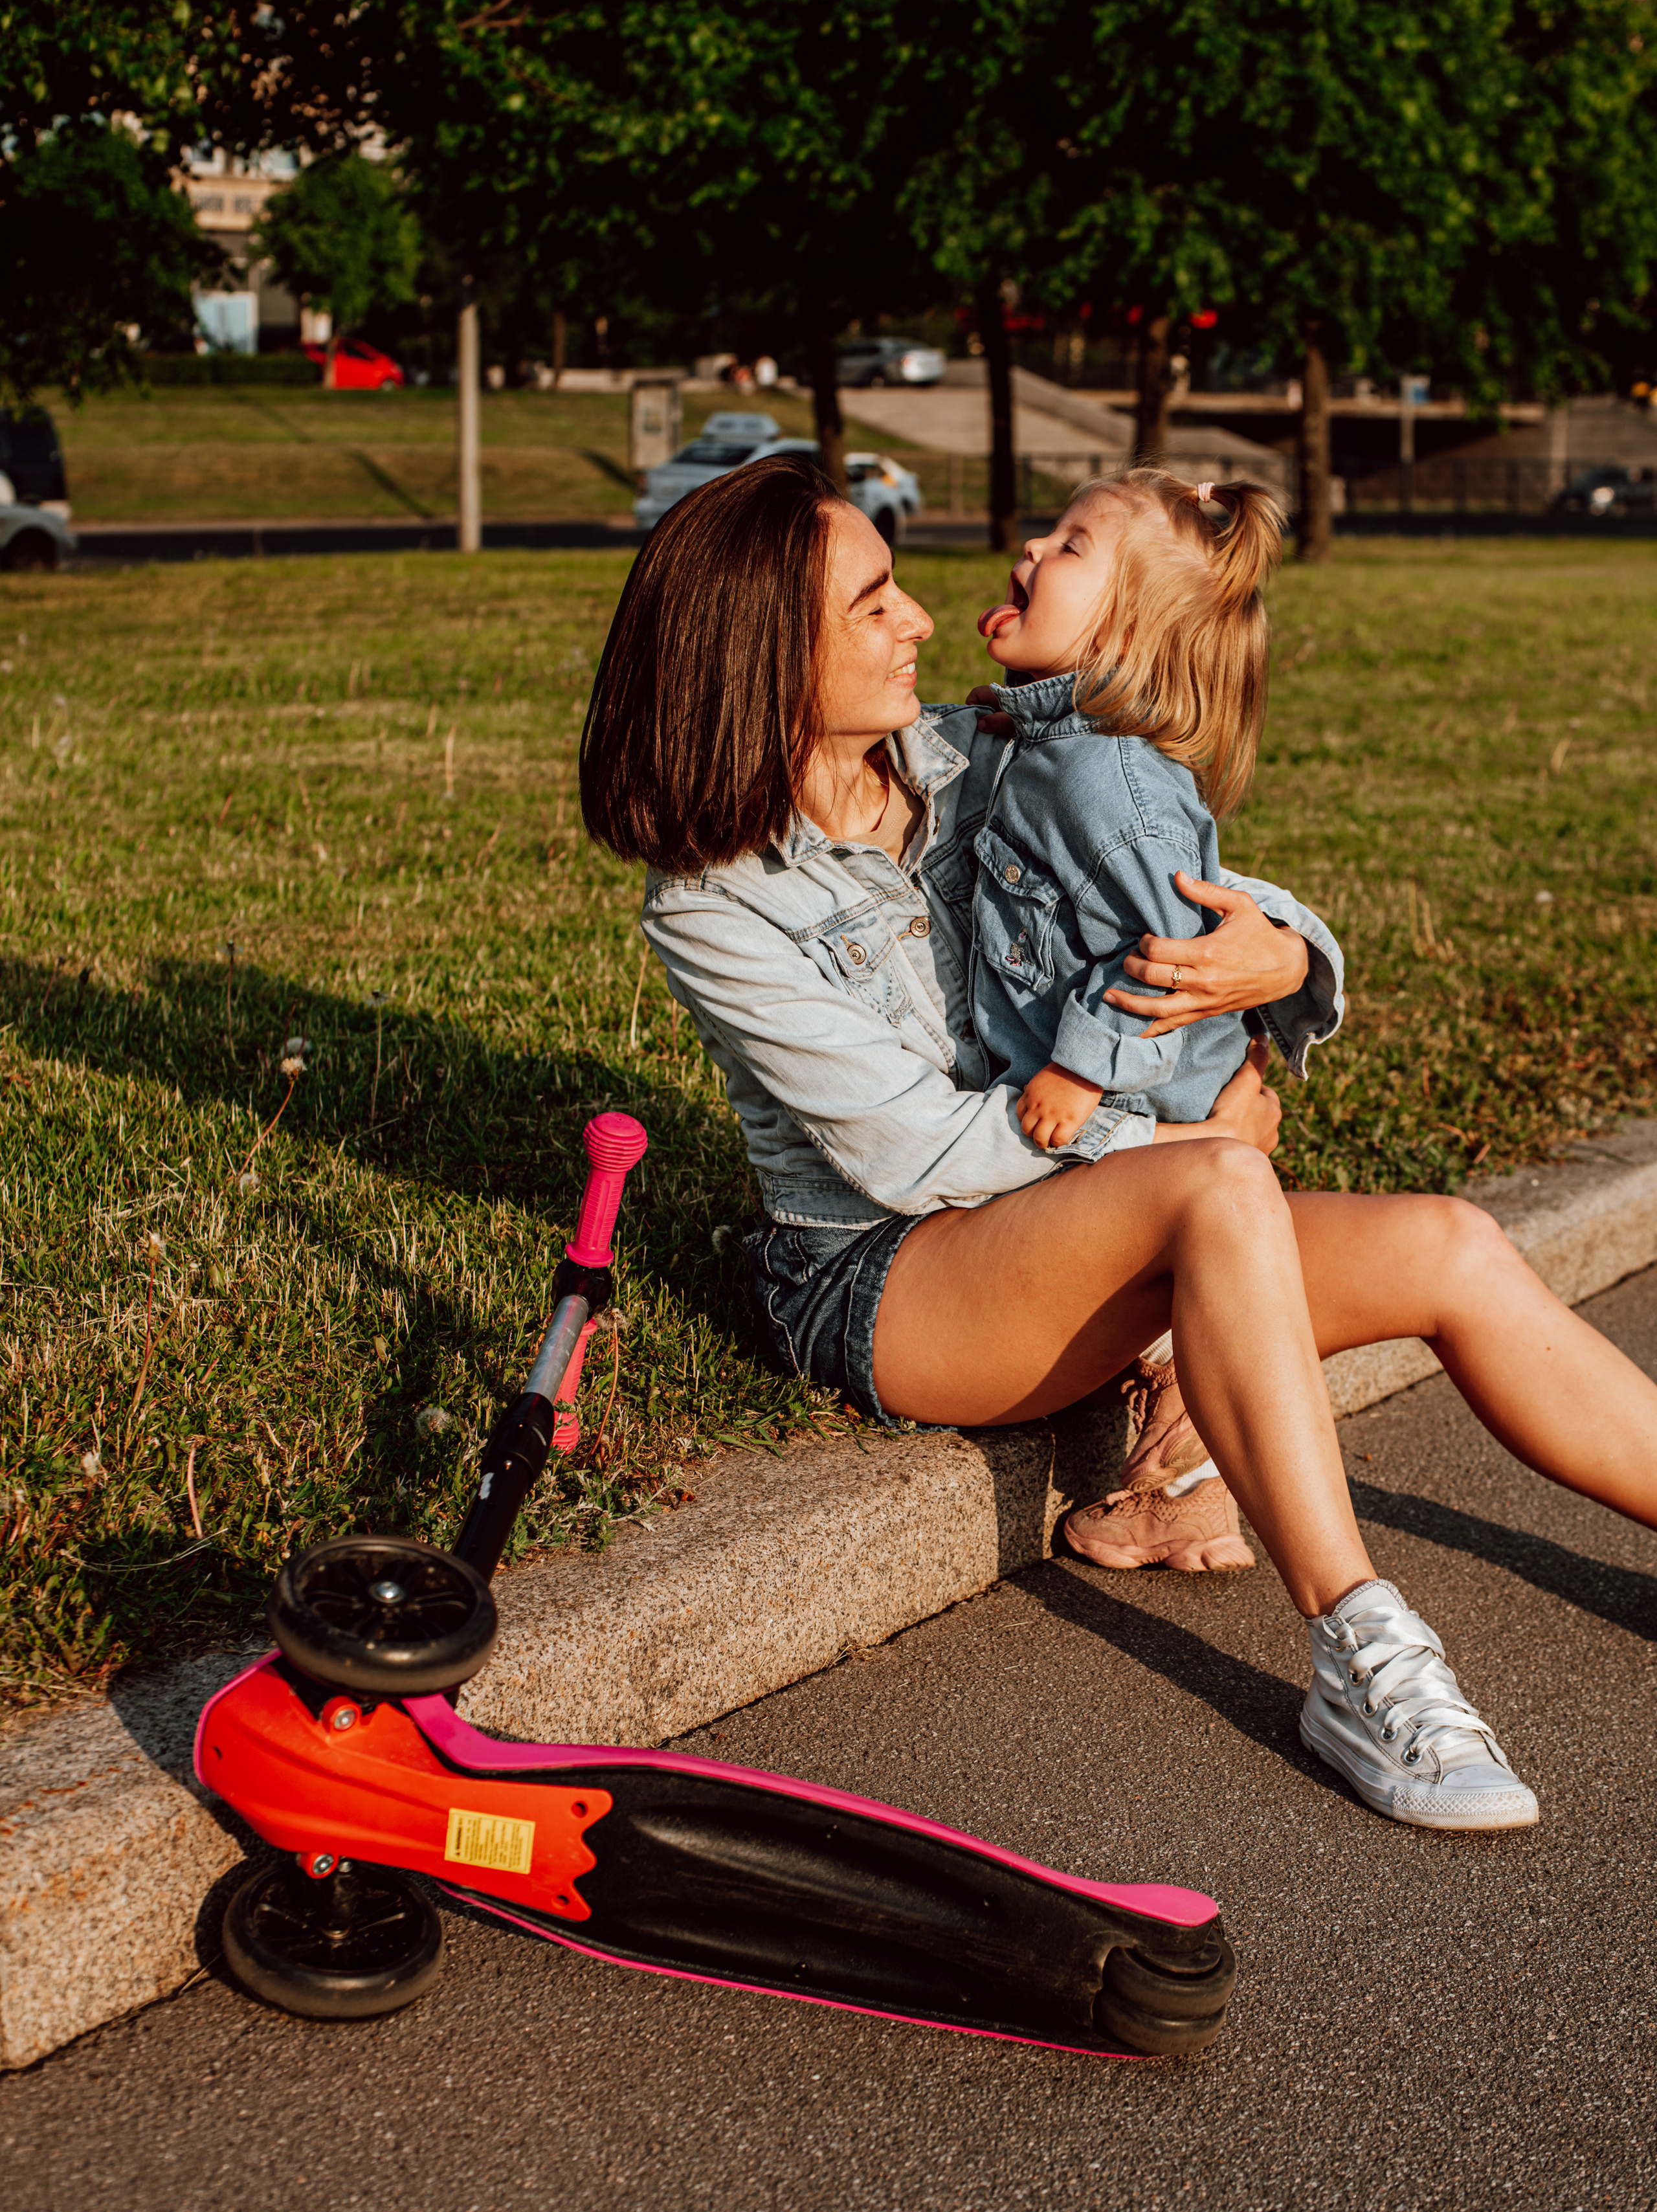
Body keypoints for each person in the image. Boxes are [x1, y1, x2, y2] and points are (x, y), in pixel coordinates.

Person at [580, 452, 1657, 1835]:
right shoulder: (712, 904)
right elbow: (918, 1155)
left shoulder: (967, 754)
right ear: (758, 654)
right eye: (872, 603)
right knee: (1218, 1185)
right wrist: (1181, 1140)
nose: (917, 618)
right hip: (891, 1282)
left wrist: (1281, 952)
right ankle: (1357, 1651)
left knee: (1447, 1244)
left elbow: (1175, 867)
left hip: (1098, 1208)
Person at [962, 467, 1299, 1574]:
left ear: (1126, 634)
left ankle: (1184, 1493)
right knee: (1170, 1300)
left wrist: (1081, 1072)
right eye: (1047, 532)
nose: (1030, 551)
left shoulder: (1109, 785)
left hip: (1147, 1092)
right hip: (1146, 1099)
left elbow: (1158, 957)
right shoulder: (1046, 742)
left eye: (1068, 549)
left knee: (1170, 1305)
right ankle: (1189, 1485)